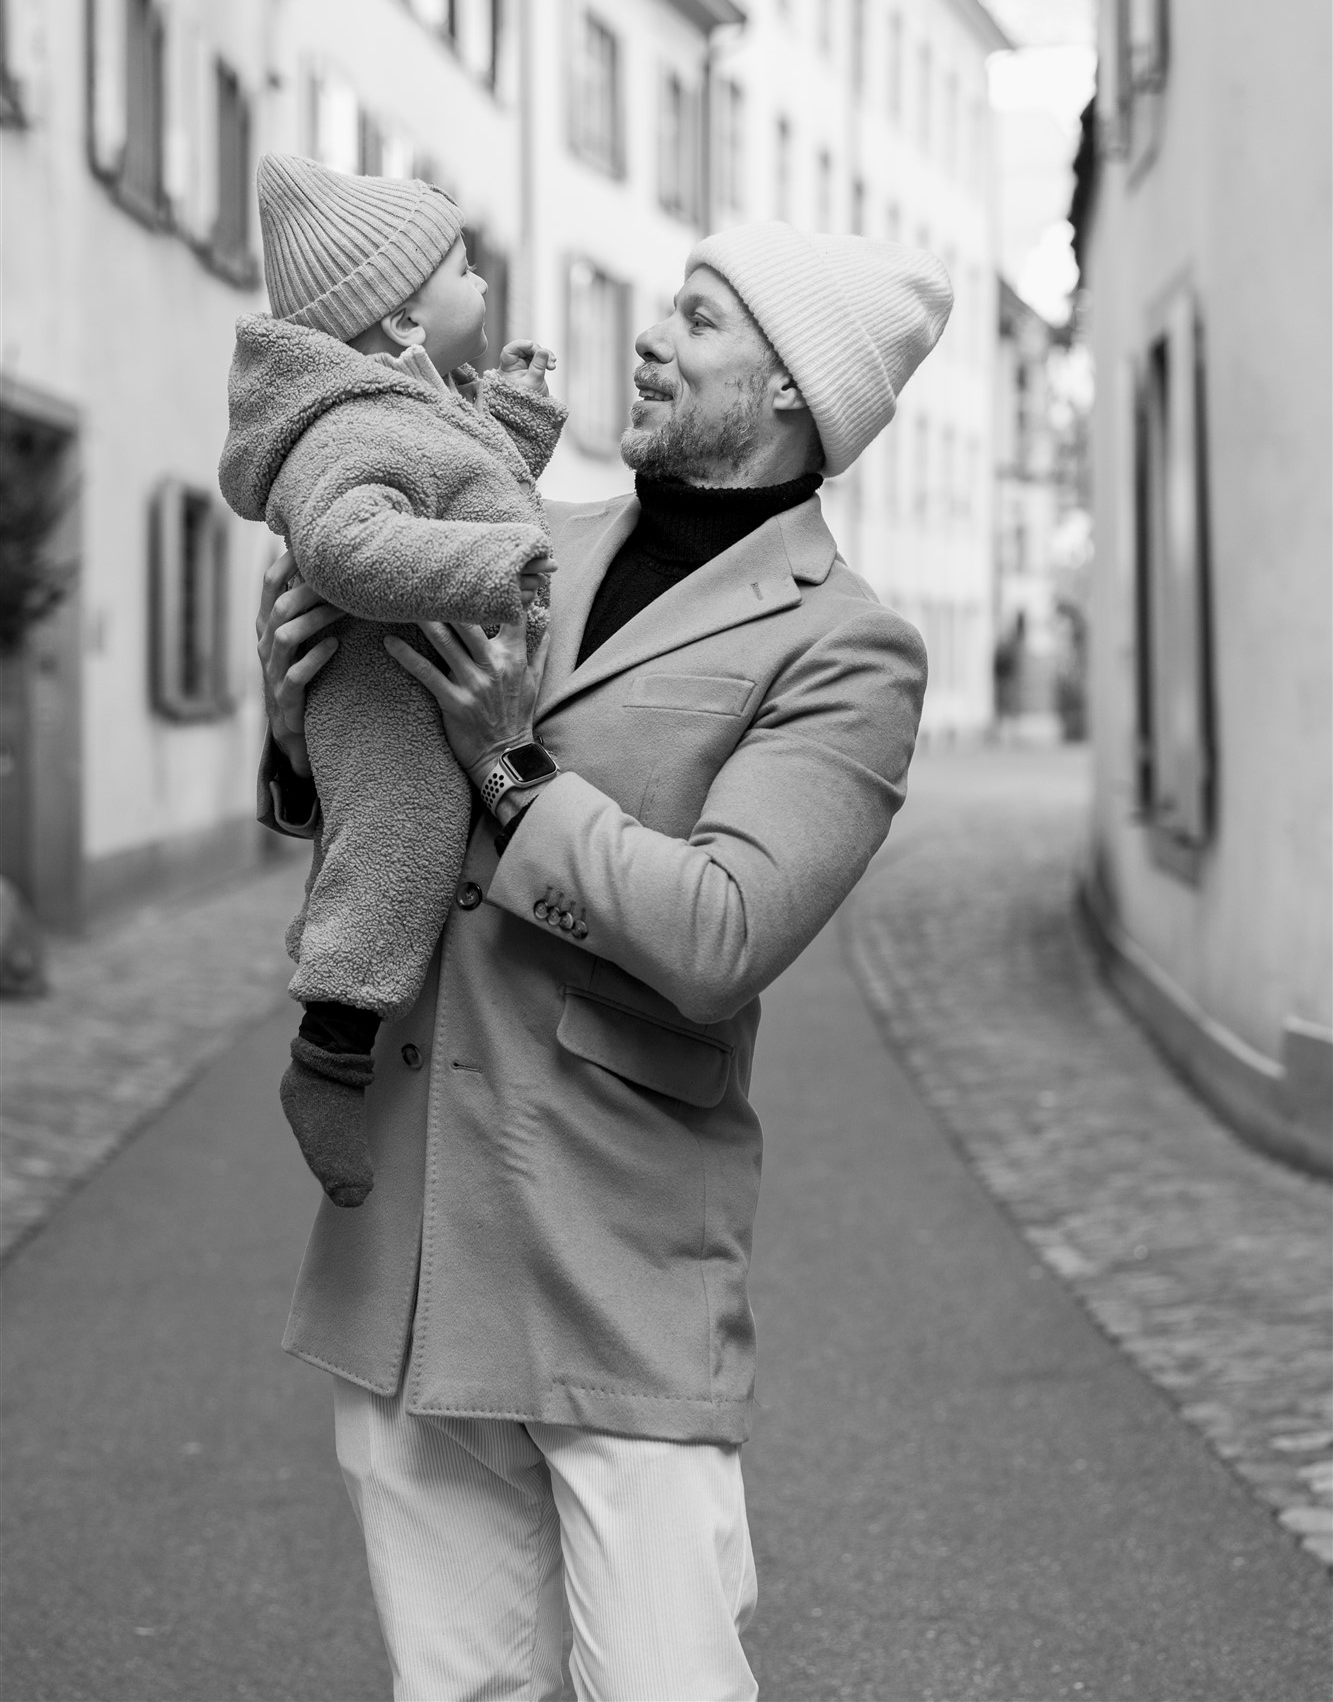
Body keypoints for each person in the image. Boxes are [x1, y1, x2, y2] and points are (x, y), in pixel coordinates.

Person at [257, 221, 951, 1701]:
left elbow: (720, 935)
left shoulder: (846, 650)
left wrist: (510, 766)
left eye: (698, 320)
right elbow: (375, 820)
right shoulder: (510, 529)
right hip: (415, 1237)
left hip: (616, 1251)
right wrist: (293, 723)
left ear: (784, 392)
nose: (651, 333)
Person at [221, 152, 565, 1210]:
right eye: (465, 270)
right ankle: (326, 1057)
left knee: (387, 856)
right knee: (395, 855)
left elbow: (464, 480)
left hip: (415, 684)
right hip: (388, 702)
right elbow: (341, 541)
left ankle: (334, 1043)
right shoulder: (351, 429)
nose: (485, 285)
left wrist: (516, 415)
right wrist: (496, 563)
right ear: (405, 326)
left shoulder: (414, 409)